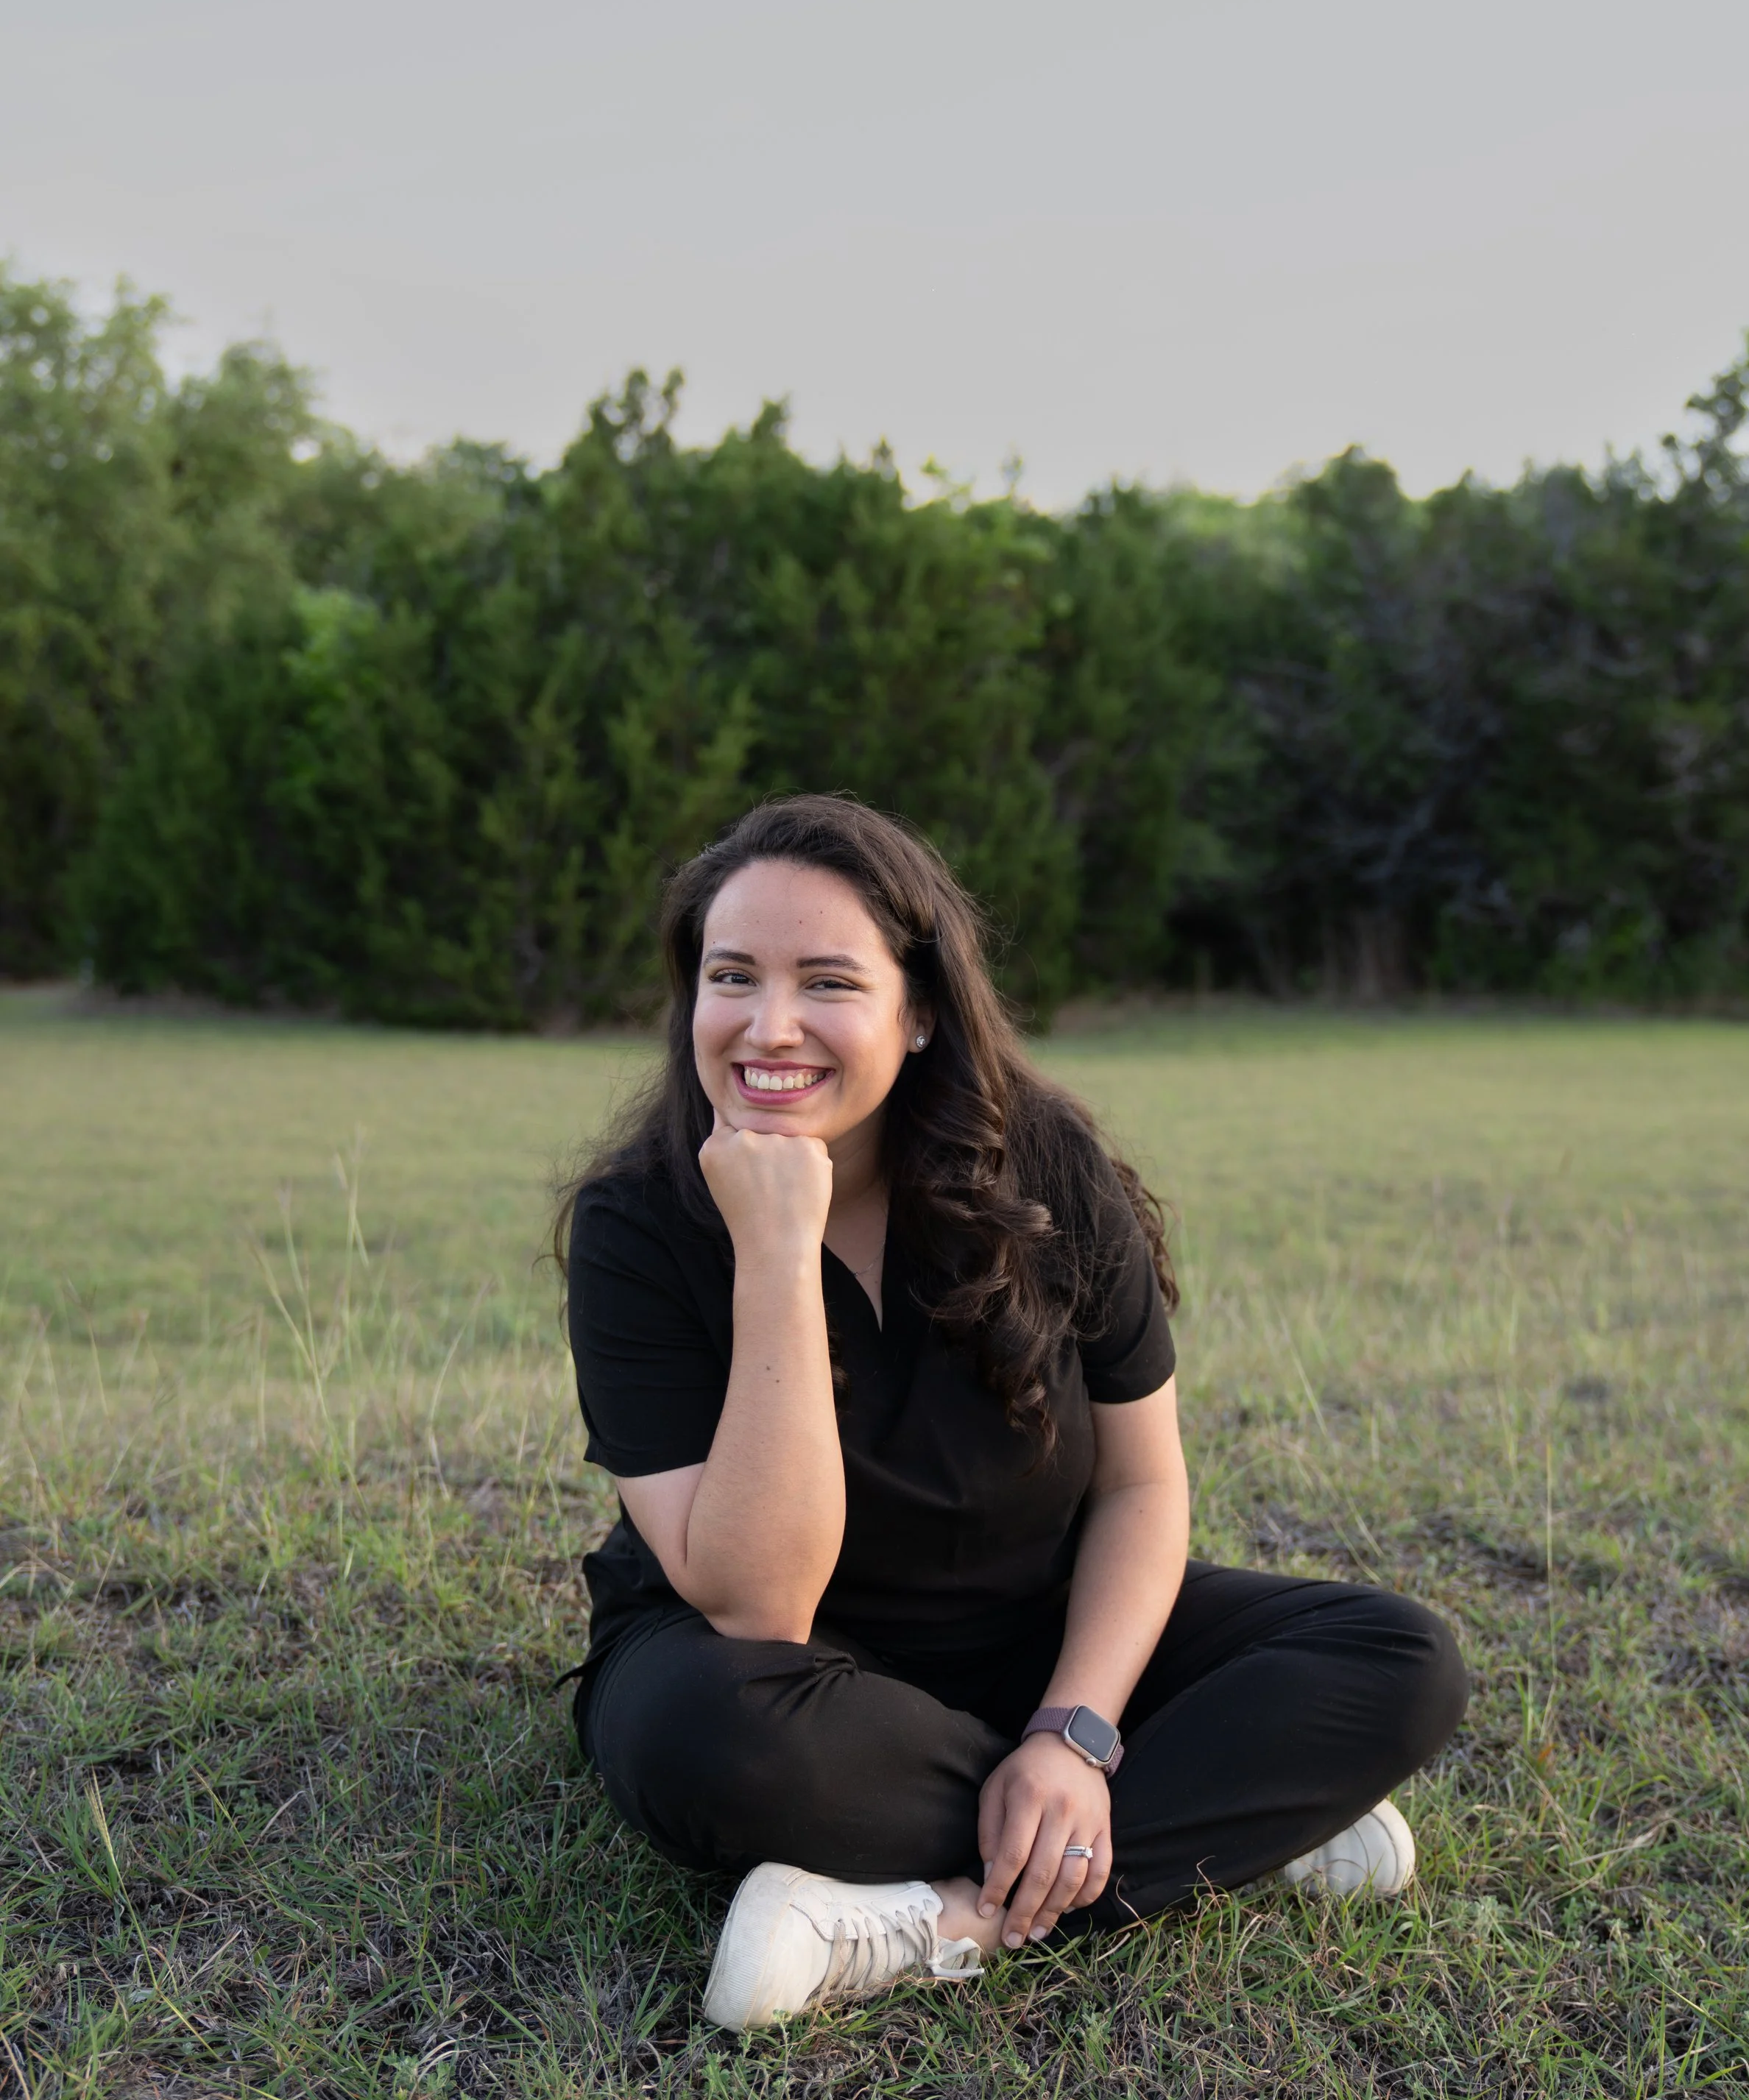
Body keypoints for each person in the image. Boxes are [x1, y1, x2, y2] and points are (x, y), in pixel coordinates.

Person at [558, 795, 1468, 2029]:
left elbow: (1143, 1488)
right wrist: (775, 1250)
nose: (770, 1026)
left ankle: (941, 1917)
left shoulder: (1044, 1168)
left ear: (919, 1009)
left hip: (1036, 1640)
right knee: (704, 1744)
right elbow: (758, 1602)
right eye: (733, 977)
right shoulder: (637, 1223)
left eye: (827, 980)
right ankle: (1231, 1825)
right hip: (781, 1675)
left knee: (1398, 1662)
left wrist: (1075, 1731)